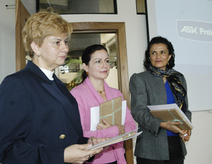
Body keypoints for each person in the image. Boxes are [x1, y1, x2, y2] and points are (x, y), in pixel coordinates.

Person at [0, 9, 104, 164]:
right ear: (36, 47)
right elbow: (6, 150)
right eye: (57, 42)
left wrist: (87, 143)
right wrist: (61, 156)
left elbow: (65, 133)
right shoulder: (17, 83)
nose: (65, 48)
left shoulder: (58, 84)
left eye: (66, 42)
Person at [129, 36, 192, 164]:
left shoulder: (178, 78)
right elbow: (138, 111)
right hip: (150, 148)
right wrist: (162, 124)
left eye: (162, 52)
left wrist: (186, 127)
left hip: (176, 146)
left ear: (169, 56)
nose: (158, 56)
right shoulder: (139, 79)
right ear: (149, 57)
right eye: (153, 53)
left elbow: (185, 109)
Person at [70, 44, 137, 164]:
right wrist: (115, 130)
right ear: (85, 66)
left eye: (107, 60)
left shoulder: (116, 93)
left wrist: (117, 130)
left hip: (118, 157)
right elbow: (79, 135)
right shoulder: (77, 94)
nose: (104, 65)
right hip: (93, 160)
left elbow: (132, 126)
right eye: (98, 61)